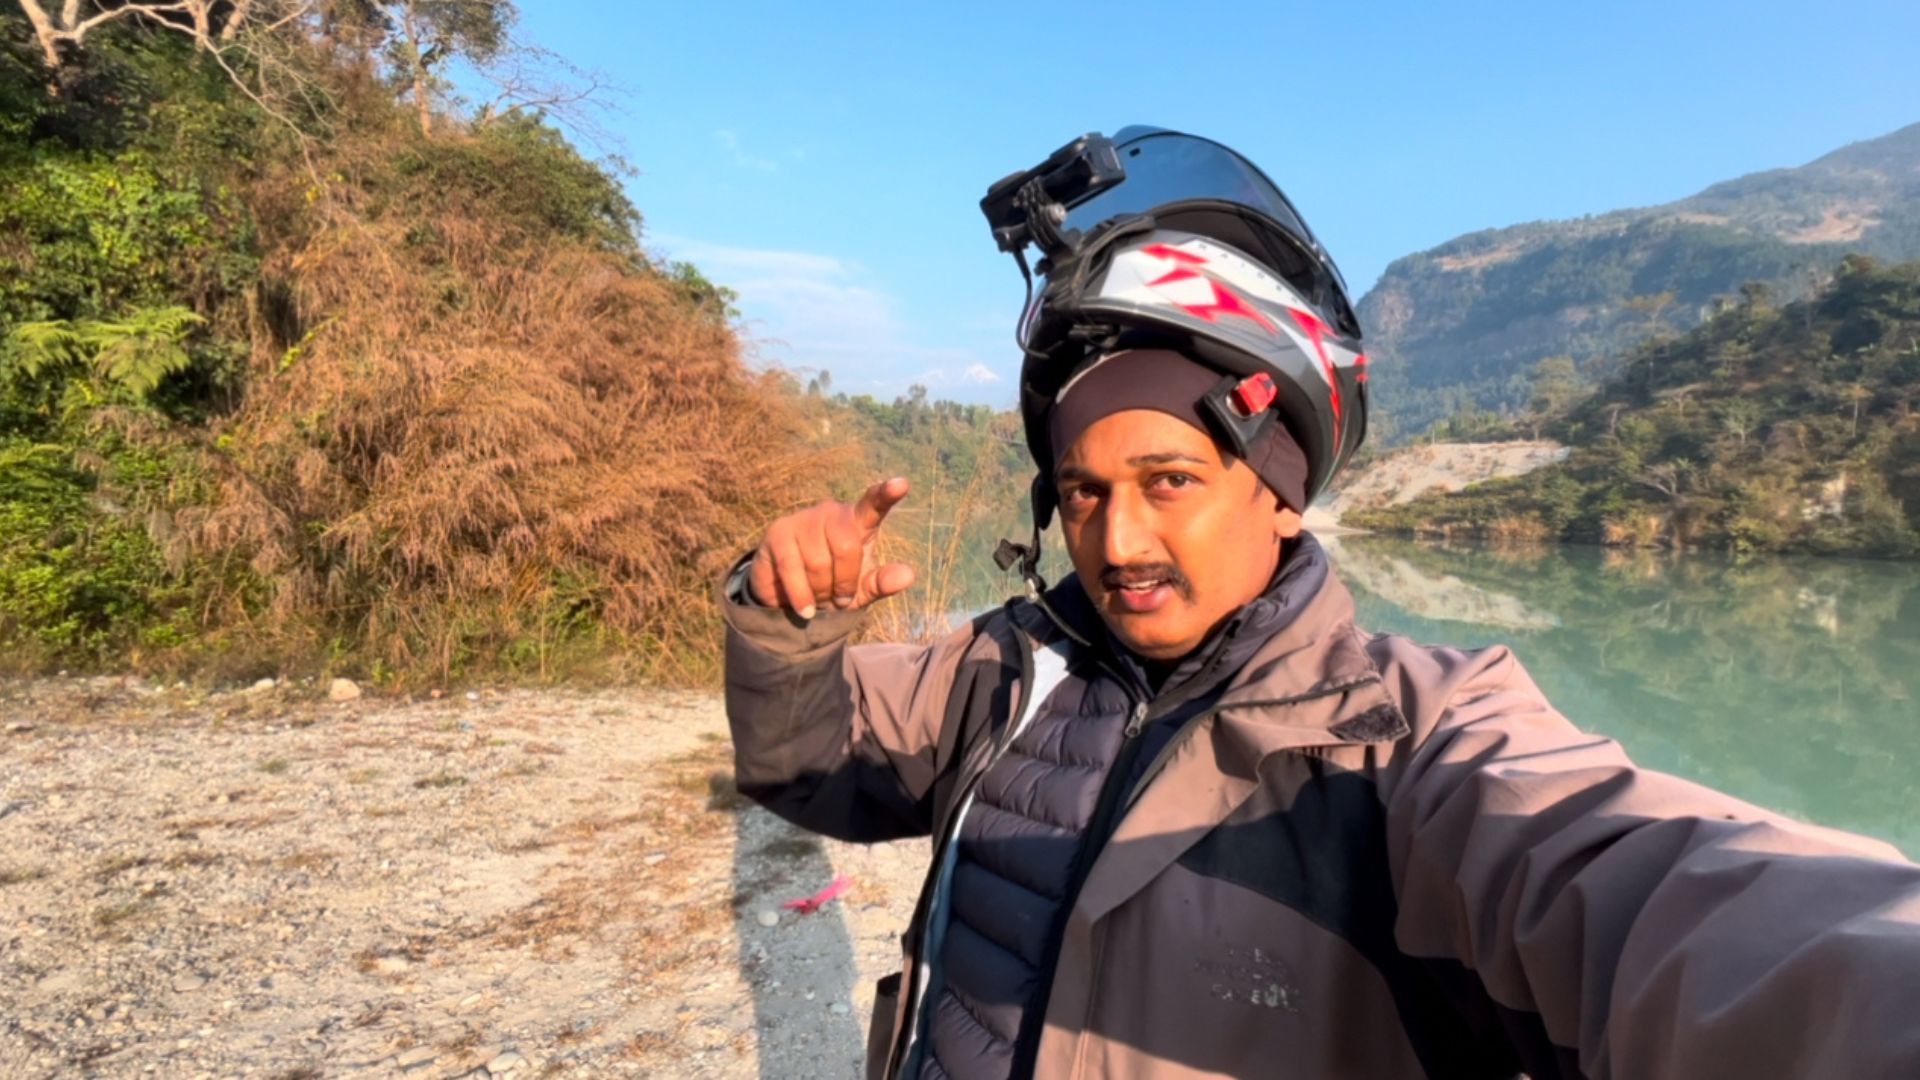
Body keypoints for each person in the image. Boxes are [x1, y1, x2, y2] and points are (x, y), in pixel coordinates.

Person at [718, 128, 1920, 1080]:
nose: (1118, 540)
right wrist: (786, 628)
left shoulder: (1415, 735)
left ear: (1282, 492)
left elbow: (1647, 891)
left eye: (1170, 481)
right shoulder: (1009, 666)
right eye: (1081, 493)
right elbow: (812, 764)